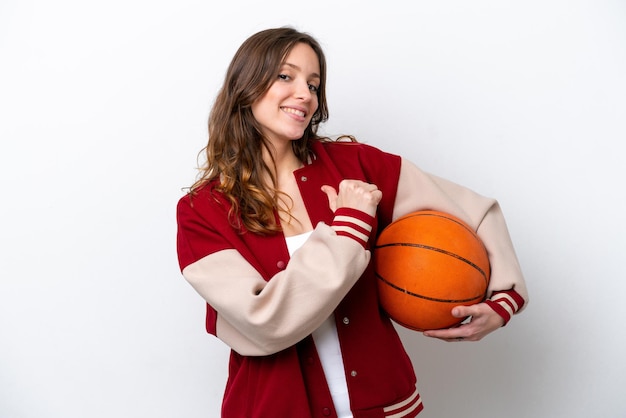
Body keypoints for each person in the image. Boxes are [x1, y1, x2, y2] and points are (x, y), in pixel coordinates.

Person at [176, 27, 528, 418]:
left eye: (314, 84)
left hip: (385, 404)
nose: (305, 94)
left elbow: (476, 211)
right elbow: (265, 321)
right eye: (285, 76)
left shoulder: (356, 166)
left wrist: (503, 301)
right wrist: (349, 229)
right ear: (245, 83)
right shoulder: (203, 210)